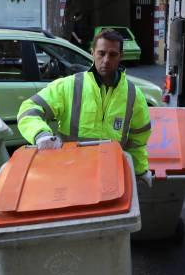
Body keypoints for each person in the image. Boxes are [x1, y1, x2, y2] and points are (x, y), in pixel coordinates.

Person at [18, 29, 152, 178]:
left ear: (121, 56)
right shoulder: (70, 86)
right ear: (93, 53)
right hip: (70, 172)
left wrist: (140, 171)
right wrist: (40, 134)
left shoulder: (133, 94)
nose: (106, 60)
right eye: (101, 53)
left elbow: (137, 142)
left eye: (113, 54)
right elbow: (29, 109)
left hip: (110, 175)